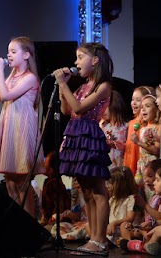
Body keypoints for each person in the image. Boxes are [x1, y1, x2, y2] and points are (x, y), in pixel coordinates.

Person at [53, 42, 112, 254]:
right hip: (76, 134)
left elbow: (79, 107)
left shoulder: (103, 86)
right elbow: (68, 109)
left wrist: (64, 85)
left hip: (90, 136)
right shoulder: (82, 86)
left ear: (94, 60)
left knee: (98, 190)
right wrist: (63, 87)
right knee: (86, 191)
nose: (76, 62)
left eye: (80, 57)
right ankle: (92, 237)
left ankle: (100, 239)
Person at [0, 36, 45, 218]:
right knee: (10, 181)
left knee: (22, 182)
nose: (8, 55)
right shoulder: (12, 76)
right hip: (9, 127)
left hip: (22, 129)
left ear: (26, 55)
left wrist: (0, 70)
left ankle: (30, 226)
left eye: (13, 51)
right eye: (8, 51)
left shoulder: (31, 78)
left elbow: (6, 96)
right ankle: (19, 223)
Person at [119, 159, 161, 244]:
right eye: (145, 177)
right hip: (147, 227)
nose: (146, 180)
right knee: (125, 226)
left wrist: (145, 205)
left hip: (155, 228)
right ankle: (129, 243)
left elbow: (160, 217)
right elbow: (146, 216)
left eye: (151, 176)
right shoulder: (154, 196)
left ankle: (138, 245)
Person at [131, 92, 161, 201]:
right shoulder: (143, 127)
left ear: (156, 109)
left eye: (147, 106)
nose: (143, 109)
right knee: (141, 196)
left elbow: (156, 150)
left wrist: (138, 142)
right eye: (142, 107)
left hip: (151, 166)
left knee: (152, 196)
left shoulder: (157, 127)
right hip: (142, 165)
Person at [123, 86, 154, 176]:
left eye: (138, 100)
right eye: (133, 99)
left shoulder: (147, 124)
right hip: (129, 160)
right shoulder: (131, 123)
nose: (134, 103)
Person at [106, 166, 138, 246]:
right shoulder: (112, 199)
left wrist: (114, 223)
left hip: (124, 229)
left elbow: (130, 218)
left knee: (124, 226)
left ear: (120, 184)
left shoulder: (130, 199)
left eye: (111, 183)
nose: (108, 185)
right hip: (113, 231)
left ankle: (128, 244)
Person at [39, 151, 71, 229]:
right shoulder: (48, 181)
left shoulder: (53, 183)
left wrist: (51, 220)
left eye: (45, 163)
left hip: (57, 221)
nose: (43, 165)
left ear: (51, 169)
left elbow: (59, 206)